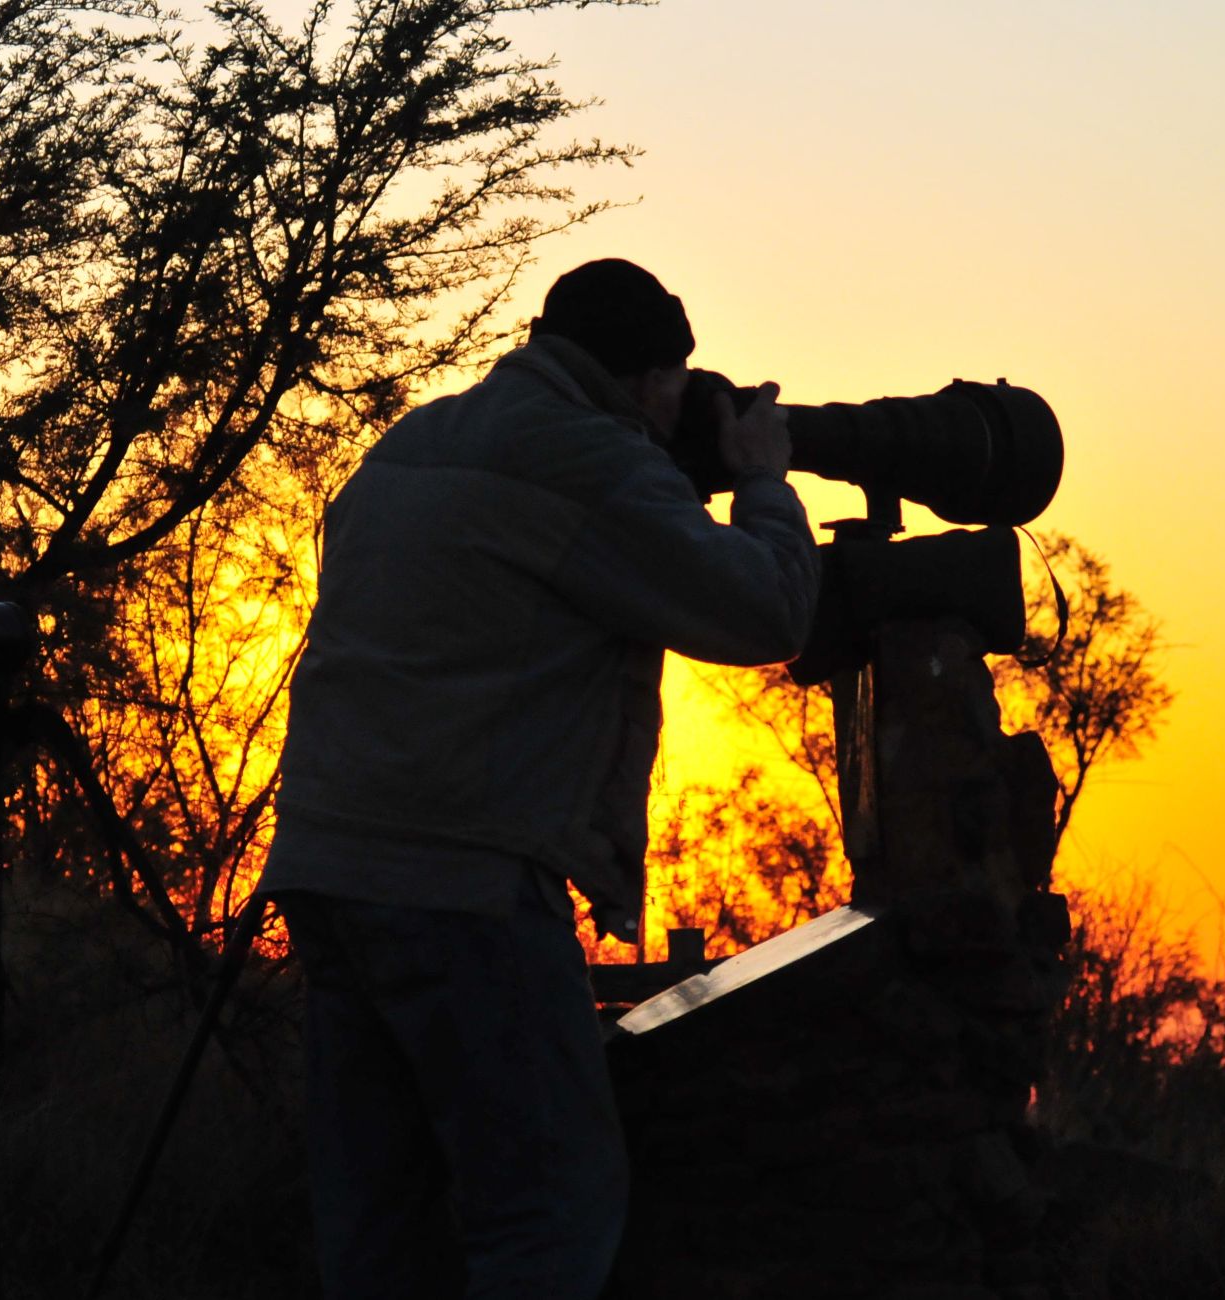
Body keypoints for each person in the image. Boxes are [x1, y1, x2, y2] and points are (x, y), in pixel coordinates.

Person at [258, 258, 822, 1299]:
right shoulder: (590, 461)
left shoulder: (414, 440)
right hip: (461, 885)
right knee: (550, 1206)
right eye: (677, 382)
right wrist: (761, 479)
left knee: (379, 1223)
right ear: (648, 378)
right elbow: (764, 613)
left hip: (326, 871)